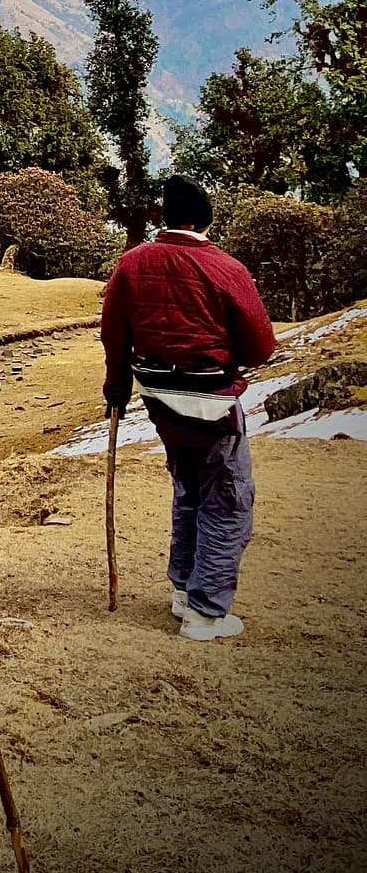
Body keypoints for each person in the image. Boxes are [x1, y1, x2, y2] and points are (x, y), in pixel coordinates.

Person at [100, 174, 275, 641]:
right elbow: (260, 346)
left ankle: (183, 589)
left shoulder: (132, 263)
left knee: (189, 488)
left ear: (165, 217)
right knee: (228, 500)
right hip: (210, 402)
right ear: (205, 220)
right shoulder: (226, 269)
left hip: (159, 400)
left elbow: (113, 331)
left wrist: (116, 385)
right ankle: (204, 612)